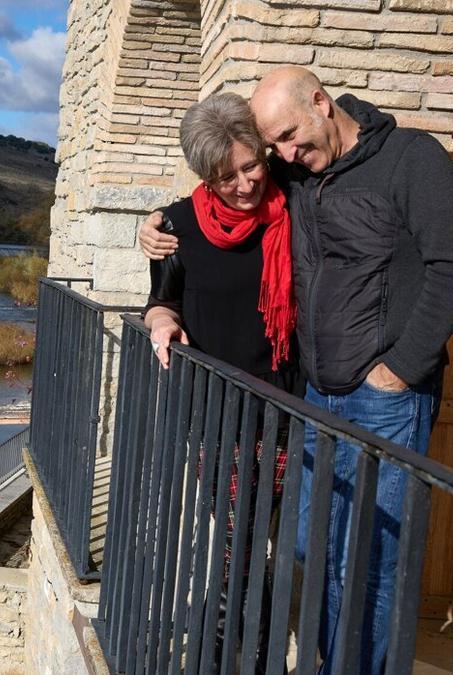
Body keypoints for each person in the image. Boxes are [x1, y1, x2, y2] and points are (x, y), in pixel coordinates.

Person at [140, 67, 453, 675]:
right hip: (317, 396)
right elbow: (207, 205)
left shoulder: (411, 160)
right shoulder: (302, 174)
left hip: (386, 399)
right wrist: (152, 227)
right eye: (277, 148)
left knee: (371, 557)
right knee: (313, 546)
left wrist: (399, 370)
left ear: (323, 103)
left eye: (290, 139)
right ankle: (325, 659)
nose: (283, 158)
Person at [143, 91, 303, 674]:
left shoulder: (295, 203)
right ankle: (242, 654)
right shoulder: (176, 227)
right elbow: (162, 302)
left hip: (286, 412)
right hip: (214, 417)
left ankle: (223, 652)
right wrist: (161, 326)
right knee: (242, 537)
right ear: (204, 177)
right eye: (225, 176)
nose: (243, 184)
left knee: (258, 540)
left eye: (251, 166)